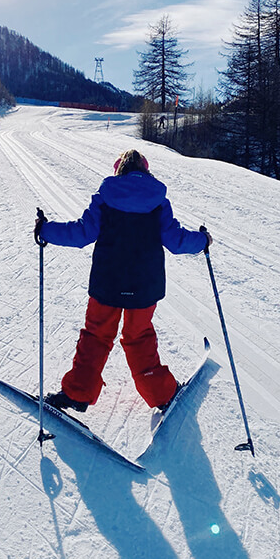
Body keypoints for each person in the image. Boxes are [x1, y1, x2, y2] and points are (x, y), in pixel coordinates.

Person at [34, 148, 212, 414]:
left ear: (119, 169)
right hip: (145, 285)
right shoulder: (158, 200)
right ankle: (162, 394)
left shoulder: (105, 197)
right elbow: (175, 241)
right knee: (138, 337)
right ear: (145, 170)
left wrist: (45, 229)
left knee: (96, 335)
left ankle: (78, 393)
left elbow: (82, 233)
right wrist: (203, 240)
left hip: (108, 281)